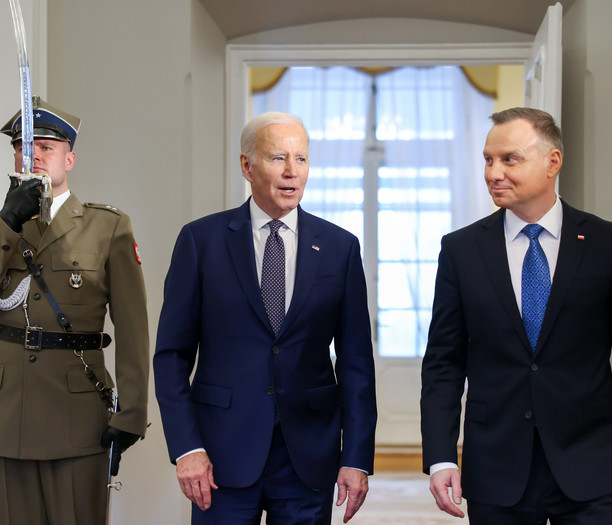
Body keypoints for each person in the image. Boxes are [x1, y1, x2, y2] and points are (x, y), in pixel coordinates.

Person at [421, 107, 612, 524]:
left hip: (591, 468)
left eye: (509, 159)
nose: (493, 172)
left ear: (552, 162)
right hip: (496, 469)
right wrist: (441, 457)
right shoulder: (461, 250)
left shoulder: (608, 244)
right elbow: (444, 363)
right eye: (488, 159)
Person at [153, 111, 377, 524]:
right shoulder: (200, 242)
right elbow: (170, 356)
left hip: (308, 456)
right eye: (278, 158)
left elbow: (356, 363)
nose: (292, 172)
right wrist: (186, 449)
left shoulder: (340, 248)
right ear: (247, 165)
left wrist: (358, 457)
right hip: (220, 457)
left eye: (302, 159)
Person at [0, 97, 149, 525]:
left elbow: (133, 329)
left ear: (71, 158)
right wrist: (8, 222)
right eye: (23, 148)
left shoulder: (107, 227)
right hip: (8, 413)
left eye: (46, 147)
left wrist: (132, 413)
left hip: (76, 416)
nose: (33, 156)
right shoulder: (3, 226)